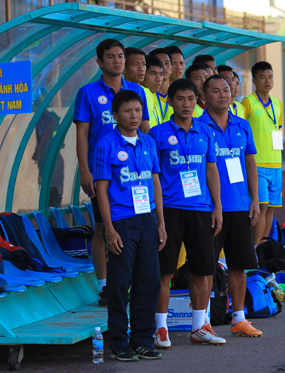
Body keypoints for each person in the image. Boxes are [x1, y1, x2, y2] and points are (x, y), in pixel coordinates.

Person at [149, 79, 226, 348]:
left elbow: (211, 170)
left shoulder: (205, 132)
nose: (186, 104)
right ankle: (160, 328)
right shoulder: (157, 134)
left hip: (200, 210)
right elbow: (154, 178)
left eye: (191, 99)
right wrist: (157, 217)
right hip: (169, 209)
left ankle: (199, 326)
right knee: (164, 271)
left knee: (204, 270)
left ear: (197, 100)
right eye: (180, 99)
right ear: (170, 101)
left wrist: (217, 207)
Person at [74, 39, 150, 307]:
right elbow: (82, 134)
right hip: (103, 173)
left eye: (120, 56)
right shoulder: (88, 92)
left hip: (136, 174)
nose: (117, 61)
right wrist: (85, 170)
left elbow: (147, 132)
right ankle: (105, 286)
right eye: (111, 57)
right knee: (102, 228)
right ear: (99, 62)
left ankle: (133, 282)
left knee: (138, 226)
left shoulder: (136, 90)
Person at [95, 90, 167, 361]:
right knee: (119, 283)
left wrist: (160, 222)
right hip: (122, 222)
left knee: (148, 282)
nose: (134, 116)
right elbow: (101, 190)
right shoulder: (106, 144)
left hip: (147, 219)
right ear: (116, 115)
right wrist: (109, 229)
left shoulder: (148, 143)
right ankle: (119, 342)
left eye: (138, 110)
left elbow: (155, 183)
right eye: (128, 111)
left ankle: (142, 340)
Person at [199, 75, 262, 337]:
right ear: (204, 97)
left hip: (239, 204)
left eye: (226, 90)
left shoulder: (242, 125)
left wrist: (255, 199)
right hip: (209, 207)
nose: (223, 95)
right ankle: (204, 321)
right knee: (207, 266)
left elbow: (250, 163)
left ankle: (239, 318)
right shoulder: (198, 126)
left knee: (239, 265)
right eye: (215, 91)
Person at [242, 61, 284, 247]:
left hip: (276, 163)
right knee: (261, 206)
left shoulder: (277, 104)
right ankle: (253, 249)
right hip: (257, 164)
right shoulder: (248, 102)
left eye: (270, 76)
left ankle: (263, 249)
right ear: (253, 80)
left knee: (270, 210)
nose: (267, 81)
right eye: (262, 77)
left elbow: (278, 130)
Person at [141, 55, 164, 128]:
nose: (159, 79)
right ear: (143, 73)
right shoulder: (142, 91)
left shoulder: (154, 94)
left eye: (161, 74)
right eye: (153, 74)